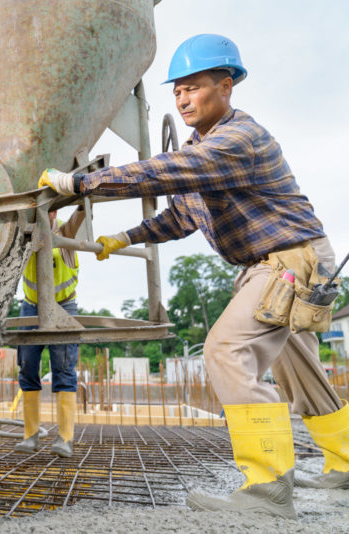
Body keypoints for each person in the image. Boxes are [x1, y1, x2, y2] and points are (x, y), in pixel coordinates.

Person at [38, 33, 349, 518]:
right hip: (276, 260)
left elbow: (170, 172)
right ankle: (346, 464)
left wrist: (81, 183)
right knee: (301, 370)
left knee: (227, 349)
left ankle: (267, 489)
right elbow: (182, 216)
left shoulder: (237, 139)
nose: (182, 98)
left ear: (226, 86)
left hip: (290, 260)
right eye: (176, 90)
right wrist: (126, 236)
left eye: (193, 87)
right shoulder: (202, 144)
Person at [14, 207, 85, 458]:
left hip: (63, 306)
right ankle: (30, 435)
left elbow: (81, 213)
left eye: (51, 208)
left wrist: (85, 189)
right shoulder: (22, 234)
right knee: (27, 368)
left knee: (64, 370)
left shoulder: (66, 231)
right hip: (31, 307)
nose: (47, 214)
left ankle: (65, 438)